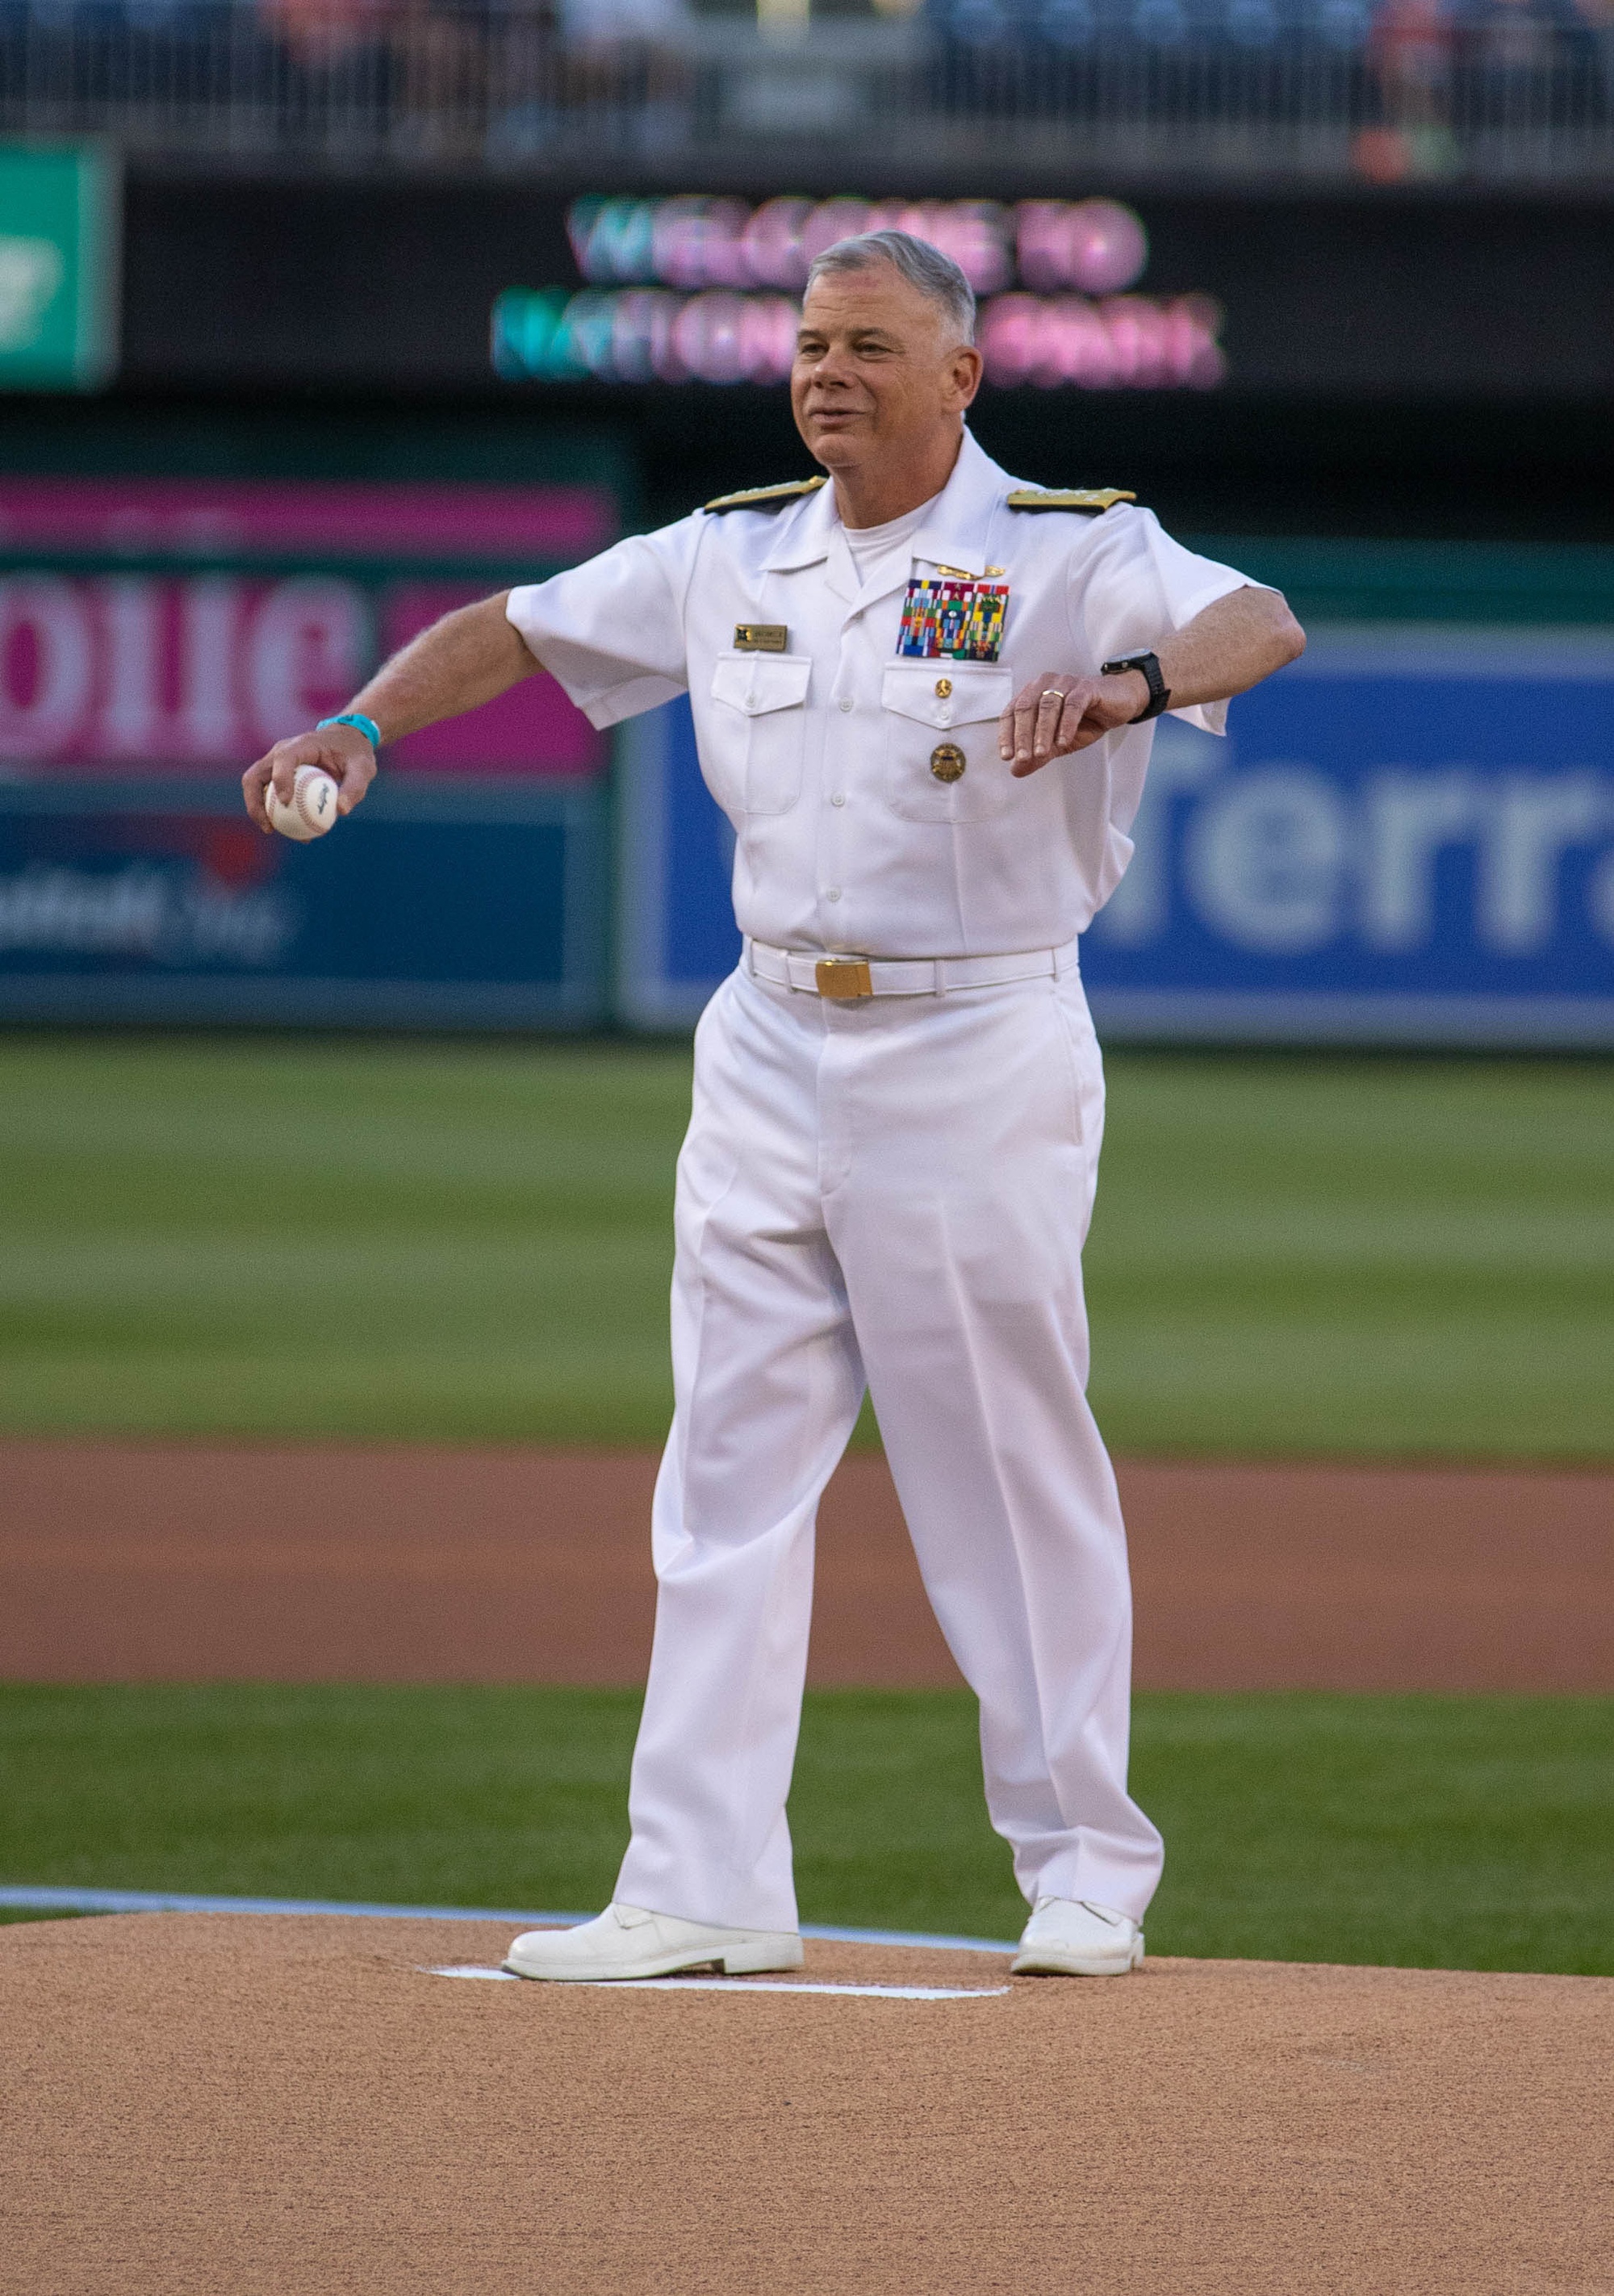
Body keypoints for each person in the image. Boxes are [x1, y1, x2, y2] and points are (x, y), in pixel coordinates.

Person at [244, 229, 1304, 1983]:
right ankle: (702, 1880)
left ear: (959, 376)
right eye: (812, 340)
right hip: (763, 1041)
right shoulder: (735, 550)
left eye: (870, 345)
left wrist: (1128, 686)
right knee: (724, 1461)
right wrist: (360, 723)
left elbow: (1251, 619)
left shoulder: (1066, 548)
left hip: (974, 1039)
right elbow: (509, 629)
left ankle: (1084, 1866)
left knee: (996, 1463)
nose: (826, 370)